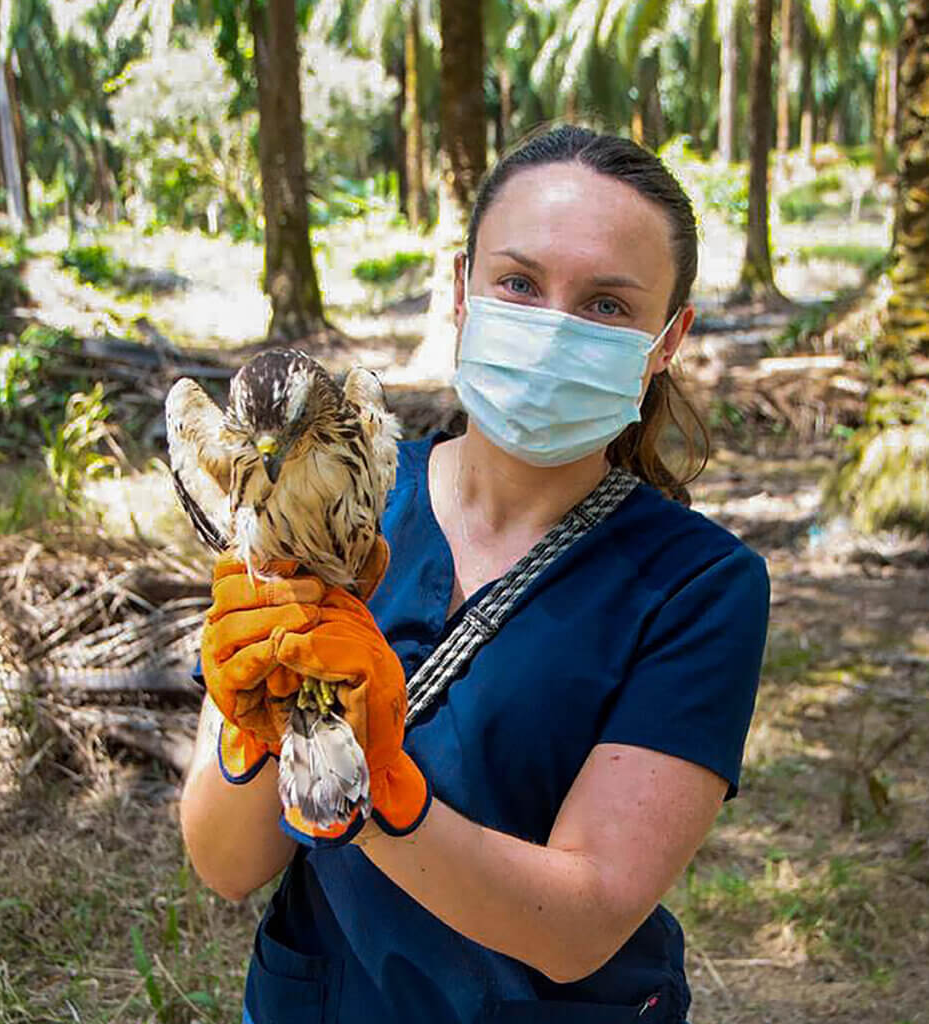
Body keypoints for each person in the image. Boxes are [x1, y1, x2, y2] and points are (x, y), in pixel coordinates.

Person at [180, 123, 770, 1024]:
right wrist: (250, 720)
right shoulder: (325, 502)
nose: (551, 329)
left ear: (668, 340)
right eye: (520, 284)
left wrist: (368, 781)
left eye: (608, 305)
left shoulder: (700, 587)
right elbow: (225, 865)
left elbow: (579, 924)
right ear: (463, 291)